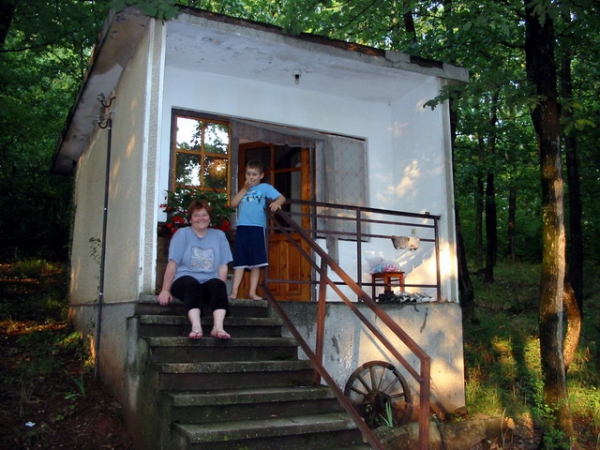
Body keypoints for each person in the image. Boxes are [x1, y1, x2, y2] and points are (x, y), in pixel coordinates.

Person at [158, 199, 233, 339]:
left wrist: (219, 290)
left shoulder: (219, 236)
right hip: (184, 282)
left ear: (210, 217)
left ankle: (218, 327)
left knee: (218, 284)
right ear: (190, 218)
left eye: (204, 215)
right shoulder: (182, 234)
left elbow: (223, 266)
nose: (201, 218)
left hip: (208, 282)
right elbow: (172, 264)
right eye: (197, 215)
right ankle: (196, 326)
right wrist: (165, 290)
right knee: (191, 283)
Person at [229, 159, 285, 300]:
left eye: (254, 174)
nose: (251, 177)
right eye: (248, 174)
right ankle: (234, 291)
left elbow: (281, 197)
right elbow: (233, 204)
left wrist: (277, 202)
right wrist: (243, 189)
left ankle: (252, 292)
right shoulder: (243, 190)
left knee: (256, 262)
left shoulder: (264, 187)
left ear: (261, 175)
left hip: (257, 228)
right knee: (240, 260)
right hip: (242, 227)